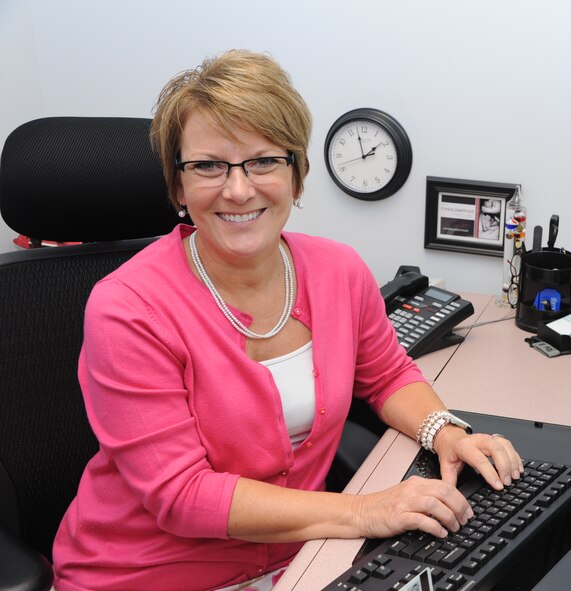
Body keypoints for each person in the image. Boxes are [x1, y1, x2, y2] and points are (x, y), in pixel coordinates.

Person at [51, 49, 522, 591]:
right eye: (208, 165)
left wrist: (443, 430)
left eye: (263, 161)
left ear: (296, 175)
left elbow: (387, 373)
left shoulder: (337, 269)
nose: (238, 189)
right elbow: (182, 496)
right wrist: (366, 511)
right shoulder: (128, 308)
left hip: (301, 560)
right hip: (147, 573)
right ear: (178, 187)